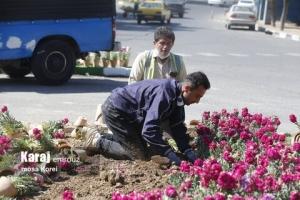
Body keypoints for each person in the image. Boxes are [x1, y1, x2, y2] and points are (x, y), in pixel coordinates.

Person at [84, 71, 210, 166]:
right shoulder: (165, 95)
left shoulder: (177, 98)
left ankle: (102, 136)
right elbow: (149, 130)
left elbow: (176, 127)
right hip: (117, 111)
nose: (197, 101)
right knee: (139, 155)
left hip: (131, 115)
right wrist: (169, 154)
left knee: (146, 148)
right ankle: (97, 141)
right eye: (197, 96)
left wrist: (187, 151)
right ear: (186, 89)